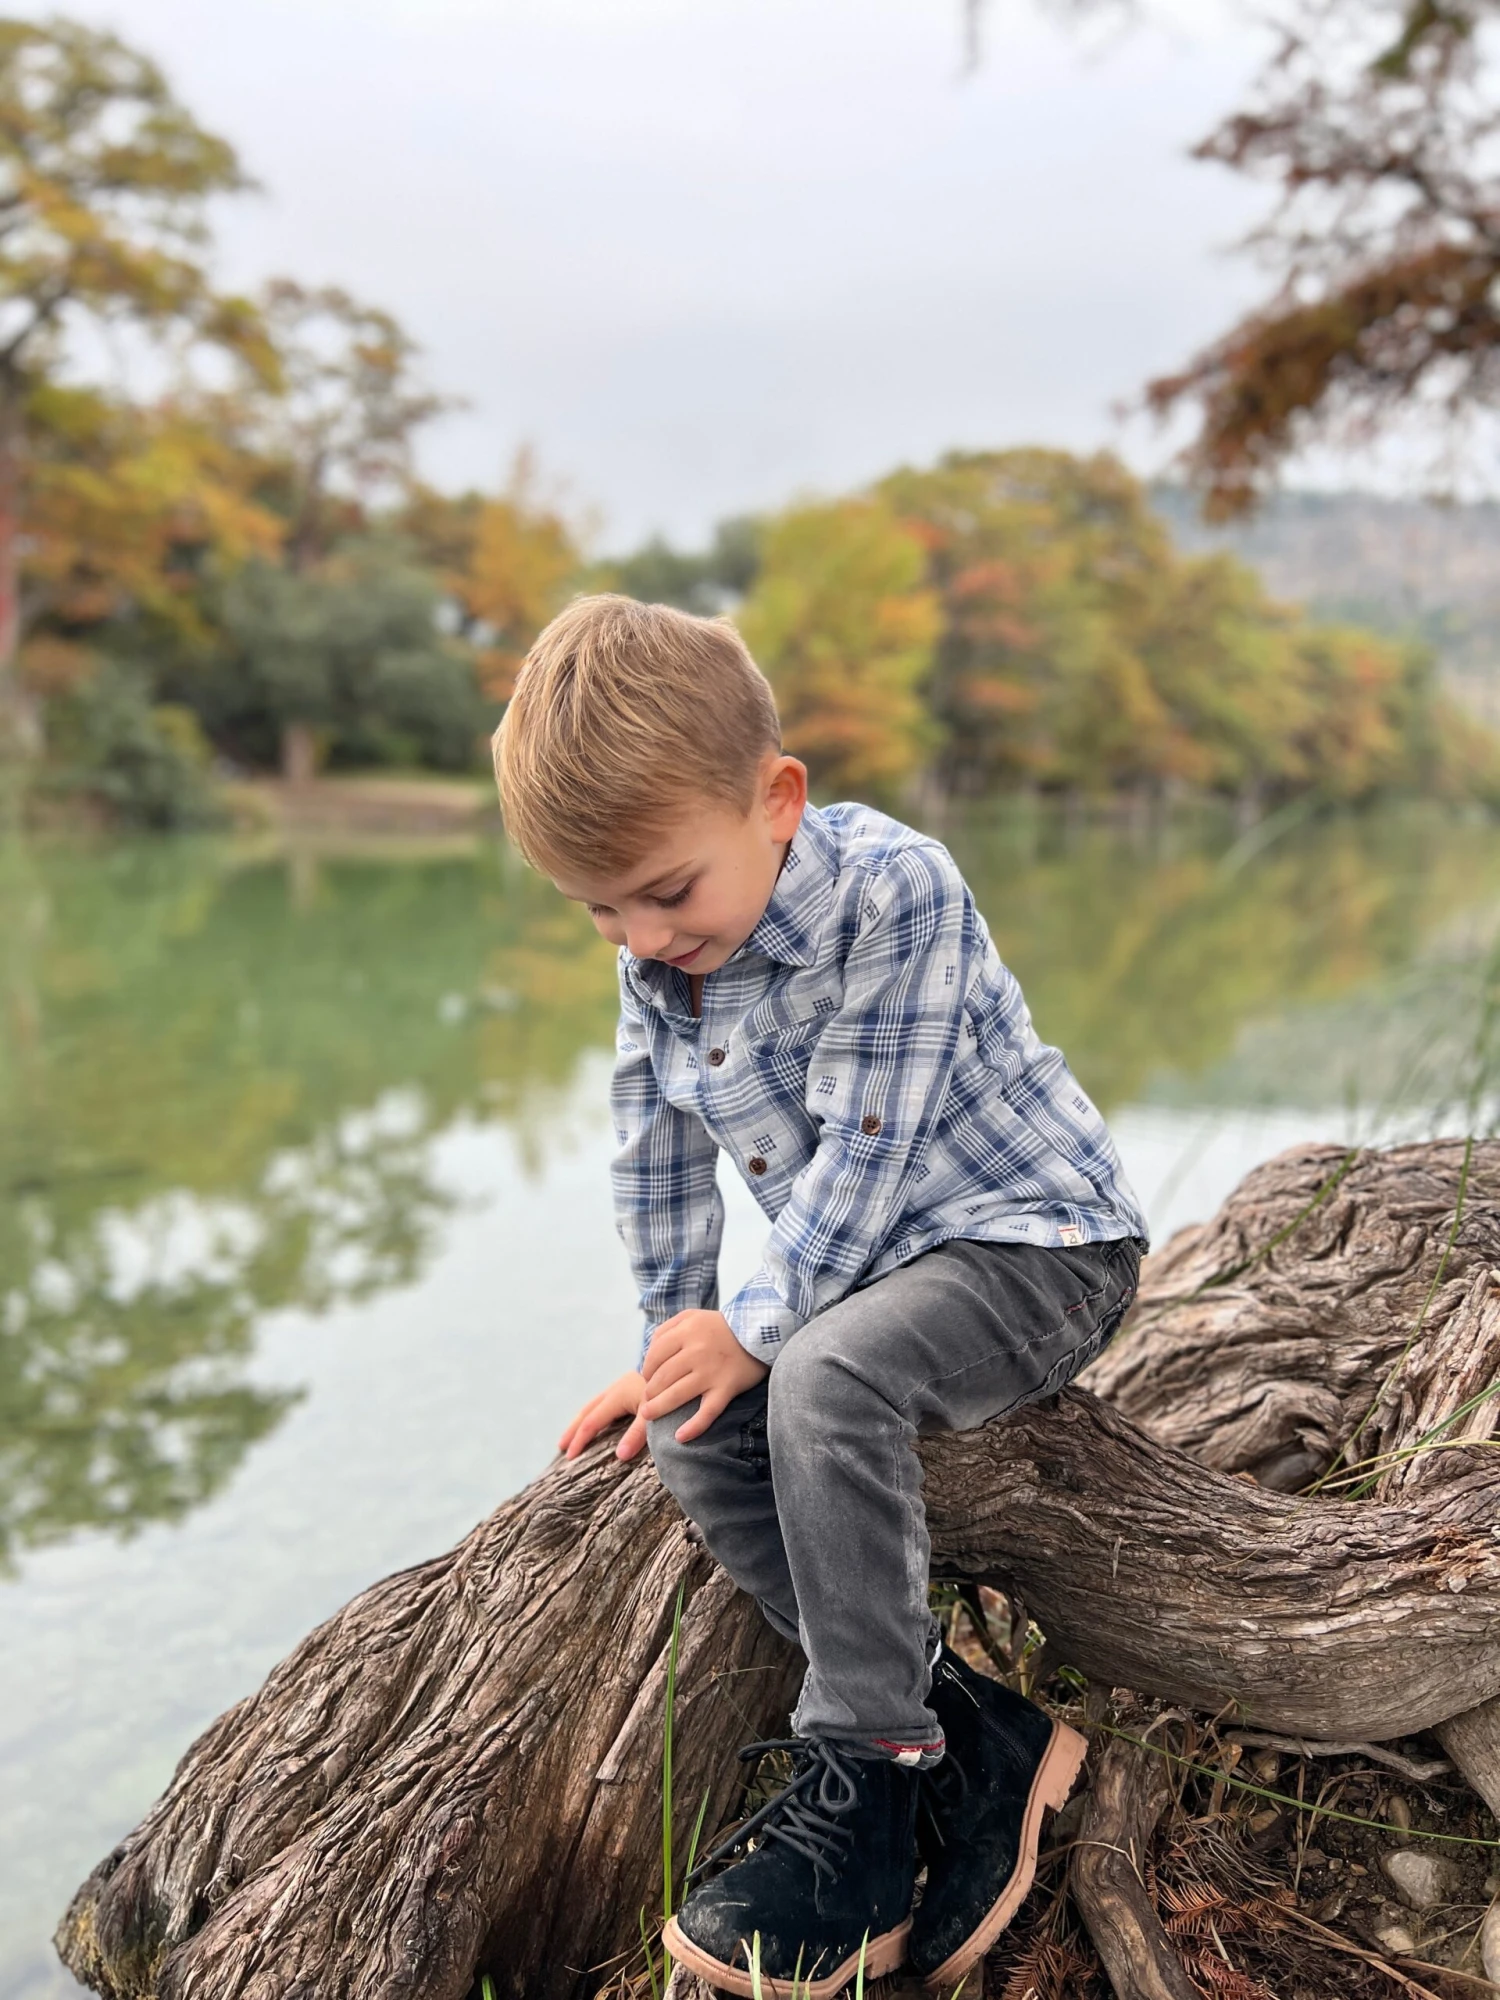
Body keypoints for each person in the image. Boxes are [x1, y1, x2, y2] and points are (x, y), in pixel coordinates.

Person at [492, 595, 1148, 2000]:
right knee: (689, 1432)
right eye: (600, 910)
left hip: (1034, 1249)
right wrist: (673, 1341)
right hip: (869, 1277)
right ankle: (972, 1737)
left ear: (777, 801)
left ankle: (869, 1780)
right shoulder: (661, 961)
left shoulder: (895, 892)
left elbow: (867, 1151)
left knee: (826, 1378)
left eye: (665, 892)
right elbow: (654, 1156)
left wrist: (759, 1327)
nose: (638, 936)